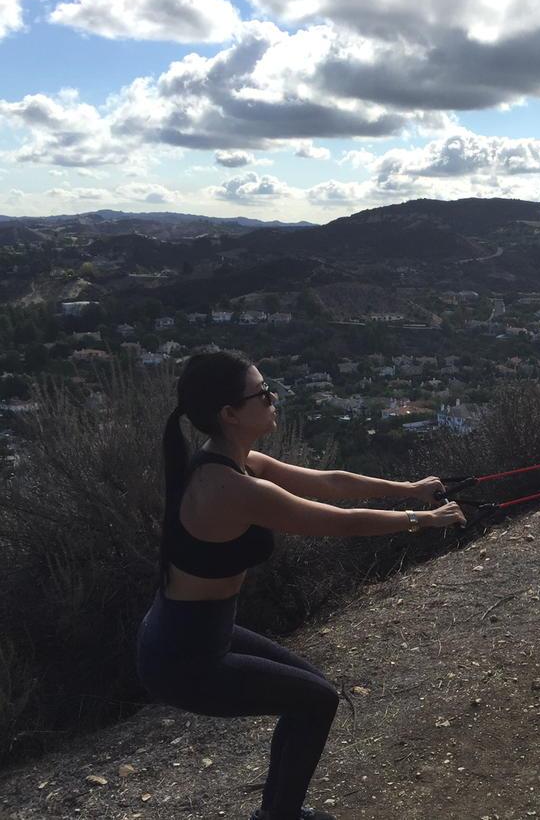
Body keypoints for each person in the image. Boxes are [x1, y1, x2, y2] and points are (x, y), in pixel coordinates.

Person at [136, 351, 466, 819]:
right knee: (315, 700)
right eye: (263, 394)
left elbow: (330, 482)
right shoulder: (231, 488)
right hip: (183, 657)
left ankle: (277, 813)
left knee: (313, 695)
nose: (273, 399)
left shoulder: (238, 461)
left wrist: (409, 488)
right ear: (230, 414)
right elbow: (341, 522)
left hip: (200, 630)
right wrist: (424, 519)